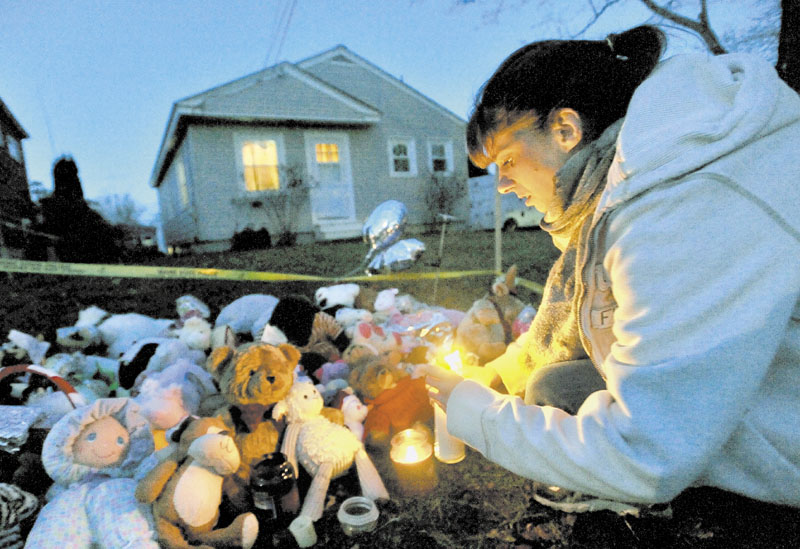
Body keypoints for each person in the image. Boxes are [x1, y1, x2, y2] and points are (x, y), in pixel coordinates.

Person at [422, 25, 800, 512]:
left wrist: (476, 414)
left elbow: (647, 453)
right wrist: (497, 374)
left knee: (572, 405)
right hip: (743, 385)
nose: (503, 184)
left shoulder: (680, 205)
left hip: (783, 437)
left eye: (509, 159)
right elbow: (566, 331)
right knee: (552, 384)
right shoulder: (640, 172)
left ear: (565, 129)